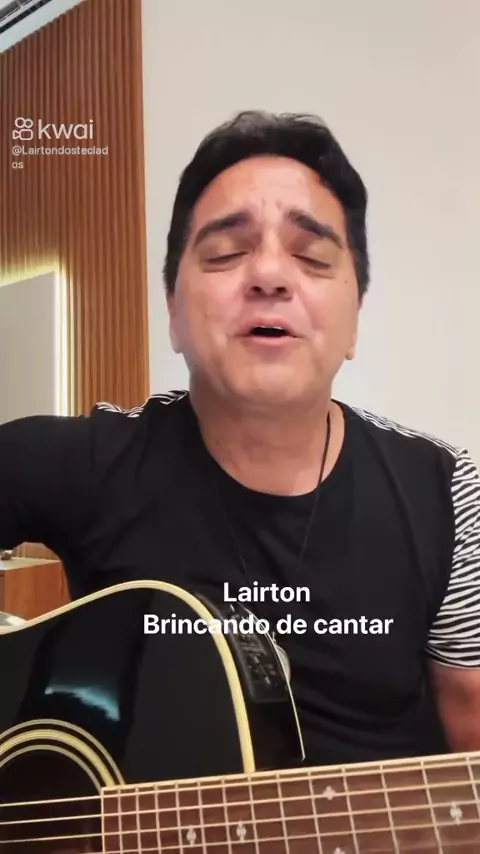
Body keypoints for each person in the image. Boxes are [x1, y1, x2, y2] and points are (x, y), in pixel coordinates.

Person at [1, 110, 479, 767]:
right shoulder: (80, 463)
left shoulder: (446, 490)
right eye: (226, 253)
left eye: (312, 257)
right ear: (173, 311)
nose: (270, 276)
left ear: (354, 320)